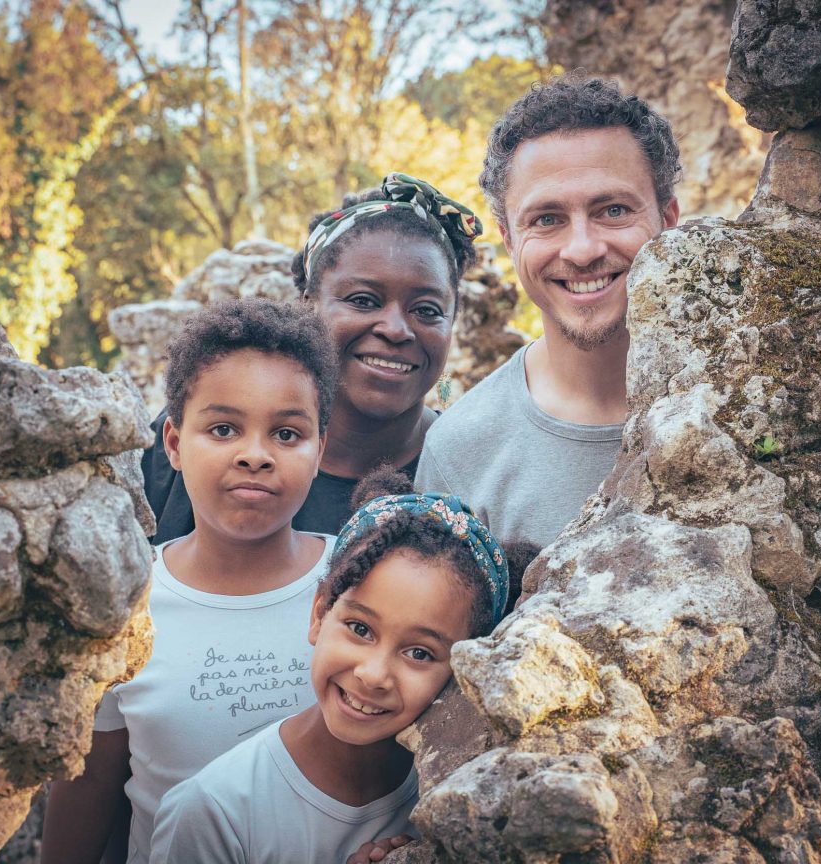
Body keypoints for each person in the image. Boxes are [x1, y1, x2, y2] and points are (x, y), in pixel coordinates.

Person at [42, 299, 339, 864]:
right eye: (223, 429)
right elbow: (91, 781)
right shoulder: (127, 600)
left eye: (286, 433)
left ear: (319, 449)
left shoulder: (357, 583)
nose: (255, 455)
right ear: (174, 444)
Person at [149, 468, 521, 864]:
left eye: (419, 653)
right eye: (360, 629)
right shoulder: (215, 812)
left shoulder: (471, 798)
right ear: (320, 613)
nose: (372, 674)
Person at [415, 76, 681, 547]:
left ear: (669, 220)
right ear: (509, 239)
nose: (582, 250)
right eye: (546, 220)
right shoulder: (459, 454)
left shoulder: (749, 399)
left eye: (613, 210)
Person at [144, 172, 481, 542]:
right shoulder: (190, 443)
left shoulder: (472, 471)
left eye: (427, 310)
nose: (396, 329)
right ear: (308, 306)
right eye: (363, 300)